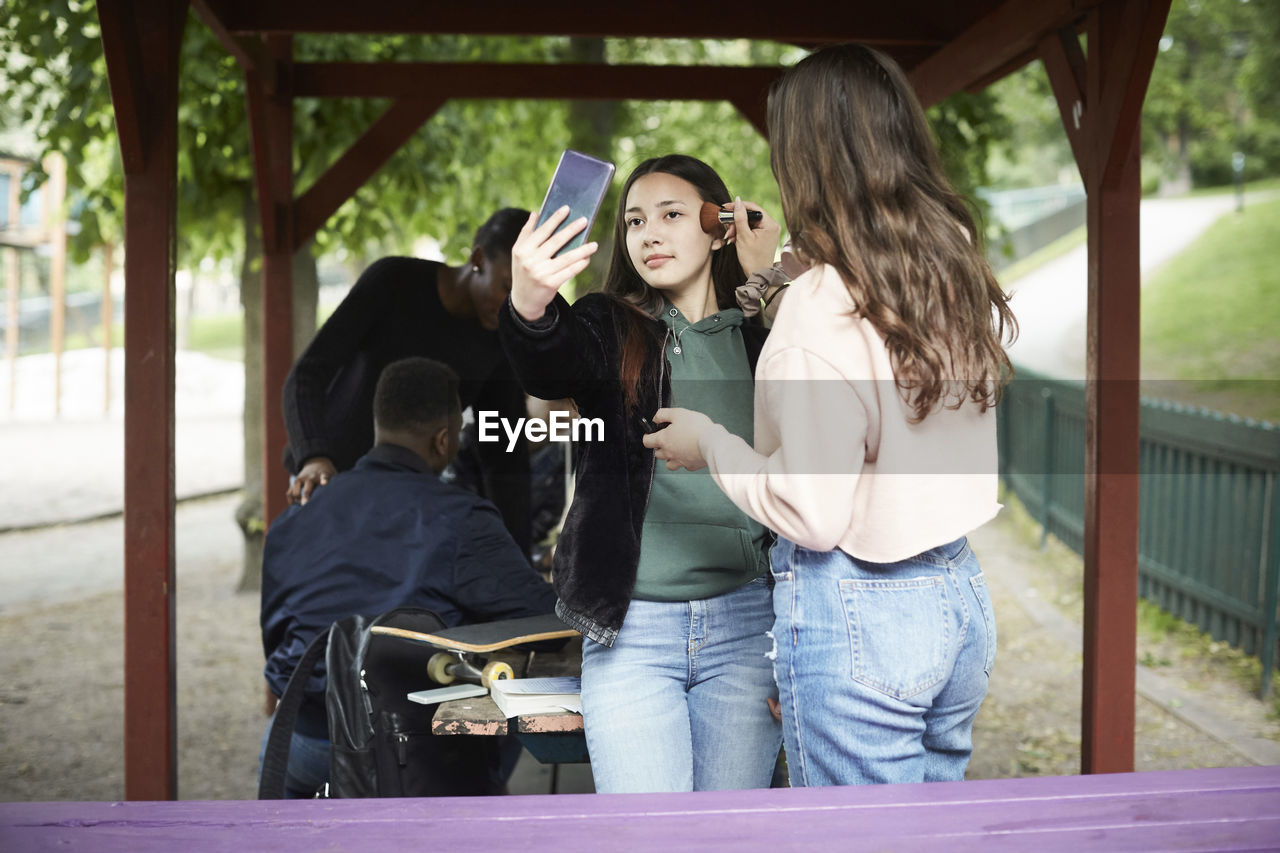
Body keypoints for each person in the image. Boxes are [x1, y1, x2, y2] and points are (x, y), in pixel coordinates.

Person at [645, 44, 1017, 787]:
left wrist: (710, 443)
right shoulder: (944, 262)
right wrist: (768, 279)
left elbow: (811, 512)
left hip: (861, 613)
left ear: (807, 158)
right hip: (958, 597)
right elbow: (863, 358)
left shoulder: (819, 312)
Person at [499, 154, 783, 793]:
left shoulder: (768, 335)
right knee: (643, 835)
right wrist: (529, 299)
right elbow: (549, 364)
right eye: (634, 221)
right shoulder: (608, 324)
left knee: (729, 843)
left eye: (672, 215)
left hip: (749, 626)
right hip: (633, 633)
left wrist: (770, 275)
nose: (648, 234)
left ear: (720, 225)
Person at [260, 356, 558, 798]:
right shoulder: (460, 519)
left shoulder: (294, 518)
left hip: (300, 746)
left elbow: (277, 638)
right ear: (442, 440)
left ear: (379, 424)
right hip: (404, 750)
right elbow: (543, 622)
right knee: (503, 726)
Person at [281, 208, 533, 554]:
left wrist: (514, 555)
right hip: (328, 478)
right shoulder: (393, 282)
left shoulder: (501, 340)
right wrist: (313, 456)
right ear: (477, 259)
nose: (512, 306)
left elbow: (505, 454)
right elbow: (308, 373)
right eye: (507, 287)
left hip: (404, 503)